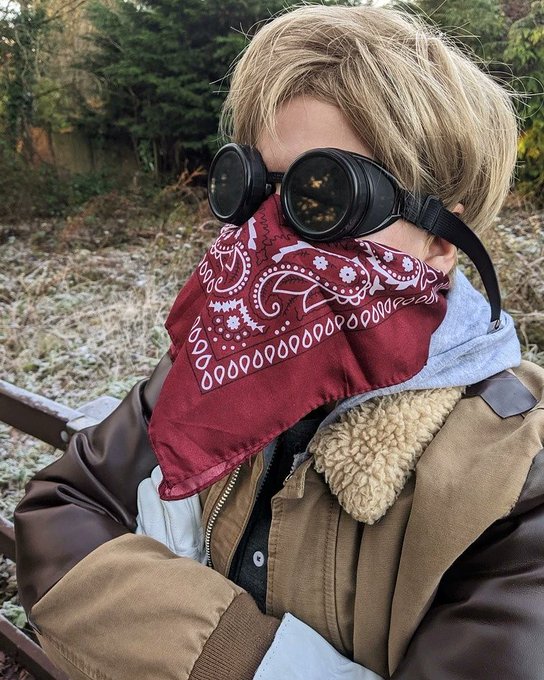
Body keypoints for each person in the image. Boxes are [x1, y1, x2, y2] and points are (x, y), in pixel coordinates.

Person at [14, 5, 544, 680]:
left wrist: (180, 631)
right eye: (252, 188)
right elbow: (58, 516)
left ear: (441, 239)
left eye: (322, 194)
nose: (268, 232)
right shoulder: (212, 362)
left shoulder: (517, 476)